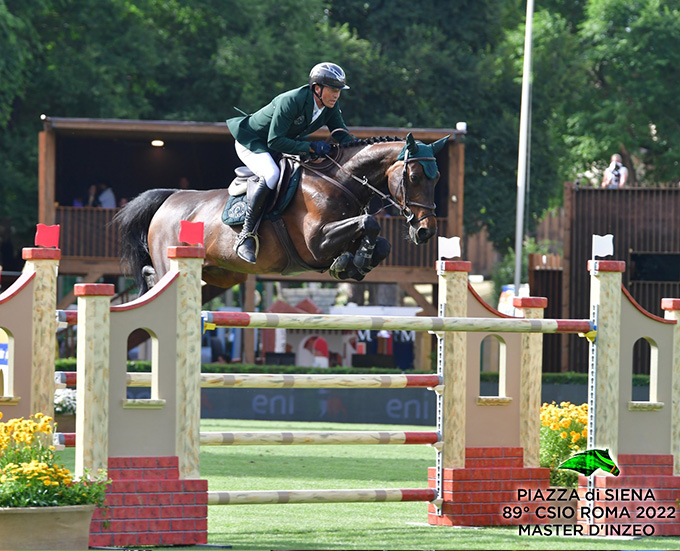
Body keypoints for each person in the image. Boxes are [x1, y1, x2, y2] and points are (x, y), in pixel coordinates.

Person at [226, 62, 356, 263]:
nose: (336, 94)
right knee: (271, 174)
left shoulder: (330, 106)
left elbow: (342, 135)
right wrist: (310, 147)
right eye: (332, 89)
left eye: (339, 90)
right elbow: (274, 140)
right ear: (317, 88)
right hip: (252, 141)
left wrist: (361, 152)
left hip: (280, 145)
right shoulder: (292, 100)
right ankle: (246, 235)